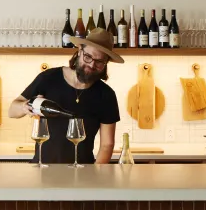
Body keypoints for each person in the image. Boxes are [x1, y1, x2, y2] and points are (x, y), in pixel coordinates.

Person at [7, 27, 121, 164]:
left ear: (106, 63)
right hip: (43, 170)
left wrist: (94, 176)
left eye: (99, 62)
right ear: (79, 51)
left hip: (82, 174)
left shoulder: (106, 95)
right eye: (88, 57)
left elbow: (107, 145)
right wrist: (25, 107)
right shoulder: (48, 78)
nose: (91, 65)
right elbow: (12, 111)